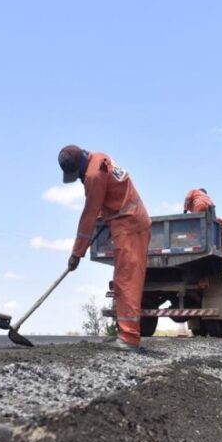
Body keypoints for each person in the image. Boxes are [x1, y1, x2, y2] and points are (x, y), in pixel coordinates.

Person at [58, 145, 151, 352]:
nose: (78, 179)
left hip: (130, 225)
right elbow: (108, 197)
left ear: (79, 166)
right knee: (121, 281)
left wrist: (76, 253)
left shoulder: (93, 176)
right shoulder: (98, 158)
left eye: (76, 175)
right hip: (128, 221)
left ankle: (129, 338)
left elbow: (89, 214)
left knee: (126, 282)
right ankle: (124, 333)